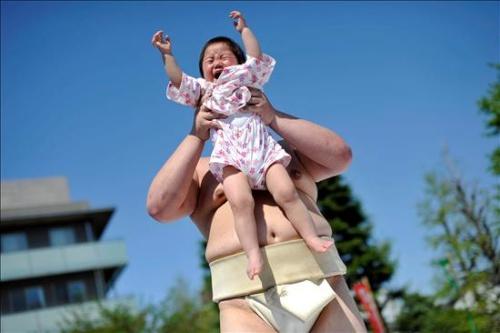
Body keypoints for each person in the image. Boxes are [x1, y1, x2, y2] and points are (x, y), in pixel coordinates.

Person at [147, 75, 367, 331]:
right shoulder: (200, 171)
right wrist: (196, 136)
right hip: (243, 298)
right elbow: (159, 208)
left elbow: (340, 156)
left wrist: (273, 116)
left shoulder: (287, 153)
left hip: (325, 281)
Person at [151, 11, 332, 281]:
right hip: (231, 157)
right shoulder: (204, 90)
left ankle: (311, 238)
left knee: (287, 193)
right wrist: (167, 55)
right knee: (240, 202)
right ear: (203, 71)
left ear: (237, 62)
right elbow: (178, 80)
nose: (217, 62)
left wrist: (244, 30)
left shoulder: (245, 79)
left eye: (224, 56)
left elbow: (256, 57)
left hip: (263, 150)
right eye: (209, 60)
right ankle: (253, 254)